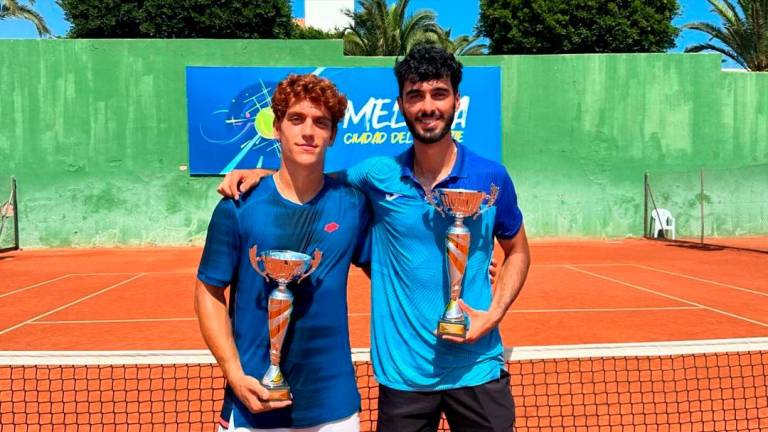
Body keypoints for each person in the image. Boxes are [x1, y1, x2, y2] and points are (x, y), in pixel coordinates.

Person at [218, 45, 531, 432]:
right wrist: (264, 175)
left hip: (478, 369)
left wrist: (494, 313)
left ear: (457, 101)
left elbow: (517, 250)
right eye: (415, 95)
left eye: (439, 94)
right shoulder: (376, 175)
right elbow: (313, 181)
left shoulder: (492, 177)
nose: (427, 106)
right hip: (404, 380)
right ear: (401, 104)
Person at [195, 74, 370, 432]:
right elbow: (208, 292)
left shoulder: (353, 206)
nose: (308, 131)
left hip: (333, 407)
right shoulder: (238, 206)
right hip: (254, 403)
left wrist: (471, 268)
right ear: (277, 127)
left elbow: (393, 269)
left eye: (321, 122)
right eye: (296, 119)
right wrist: (234, 373)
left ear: (332, 135)